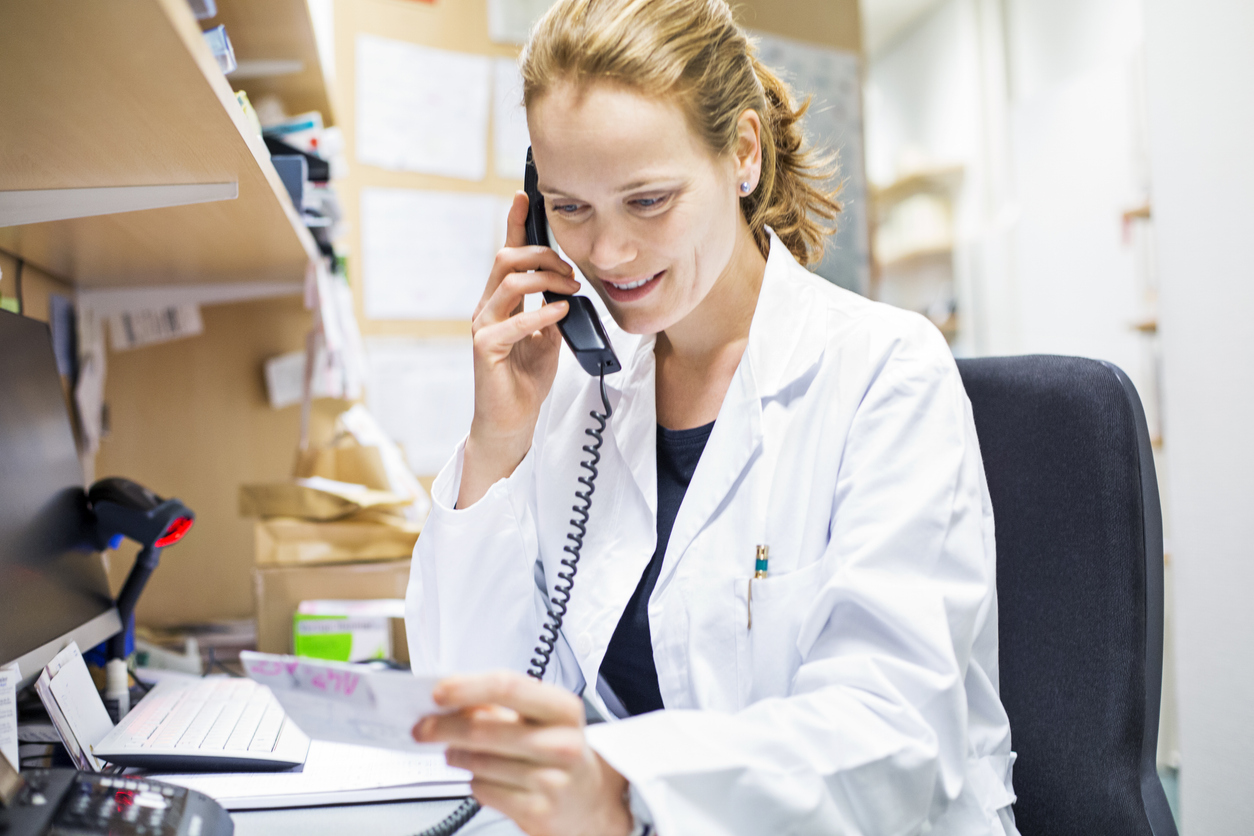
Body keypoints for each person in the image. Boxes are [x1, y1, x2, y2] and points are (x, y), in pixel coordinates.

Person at [405, 0, 1019, 834]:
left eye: (649, 201)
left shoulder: (883, 372)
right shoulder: (578, 395)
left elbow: (893, 735)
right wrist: (498, 441)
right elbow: (468, 703)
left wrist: (623, 784)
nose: (609, 255)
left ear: (741, 153)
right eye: (571, 208)